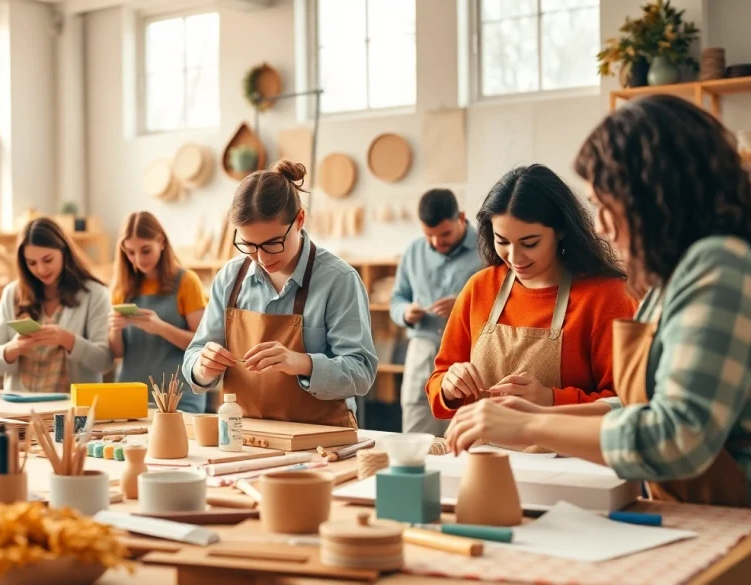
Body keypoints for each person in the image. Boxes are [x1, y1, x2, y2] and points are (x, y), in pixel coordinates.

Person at [445, 95, 751, 509]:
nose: (600, 224)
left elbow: (677, 438)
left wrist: (531, 426)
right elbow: (637, 406)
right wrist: (530, 417)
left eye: (605, 205)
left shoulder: (722, 269)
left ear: (655, 198)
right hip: (705, 505)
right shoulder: (674, 278)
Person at [425, 164, 637, 422]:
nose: (514, 258)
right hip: (482, 455)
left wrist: (551, 400)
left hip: (569, 460)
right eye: (502, 241)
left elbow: (626, 404)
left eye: (530, 243)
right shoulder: (479, 288)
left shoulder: (607, 297)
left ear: (560, 231)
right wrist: (449, 386)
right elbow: (438, 382)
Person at [182, 160, 378, 428]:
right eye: (249, 244)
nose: (261, 257)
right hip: (245, 438)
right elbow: (195, 353)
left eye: (272, 244)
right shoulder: (230, 278)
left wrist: (302, 363)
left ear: (299, 220)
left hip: (321, 439)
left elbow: (362, 372)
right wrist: (202, 367)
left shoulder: (338, 280)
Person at [0, 218, 112, 392]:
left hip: (74, 411)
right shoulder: (12, 294)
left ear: (64, 252)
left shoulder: (95, 294)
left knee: (68, 421)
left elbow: (104, 361)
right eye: (32, 263)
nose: (41, 269)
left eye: (48, 260)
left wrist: (68, 340)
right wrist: (13, 348)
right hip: (22, 412)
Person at [391, 189, 482, 435]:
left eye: (444, 234)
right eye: (428, 235)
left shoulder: (488, 248)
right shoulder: (413, 251)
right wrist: (405, 313)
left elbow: (504, 303)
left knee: (464, 439)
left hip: (470, 355)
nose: (436, 243)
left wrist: (463, 305)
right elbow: (397, 299)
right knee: (416, 433)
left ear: (461, 218)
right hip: (421, 350)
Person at [109, 211, 208, 413]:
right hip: (130, 396)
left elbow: (201, 346)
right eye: (130, 252)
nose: (138, 259)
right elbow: (117, 353)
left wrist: (159, 327)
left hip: (178, 398)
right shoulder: (122, 288)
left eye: (145, 250)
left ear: (161, 242)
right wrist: (115, 329)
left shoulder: (186, 282)